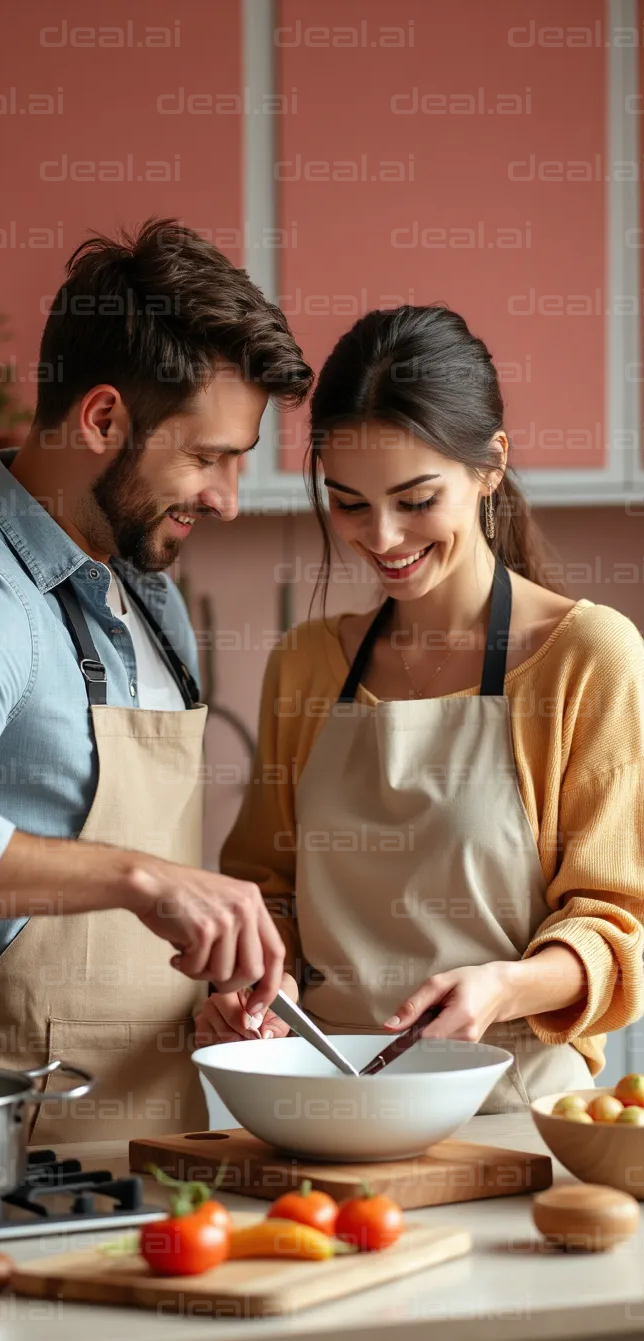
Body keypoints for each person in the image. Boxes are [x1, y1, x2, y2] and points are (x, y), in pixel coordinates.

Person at [0, 218, 313, 1143]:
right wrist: (142, 878)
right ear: (103, 419)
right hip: (1, 1157)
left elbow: (113, 936)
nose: (227, 500)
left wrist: (203, 1004)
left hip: (153, 1143)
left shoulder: (144, 593)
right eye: (208, 457)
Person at [201, 305, 644, 1110]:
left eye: (415, 499)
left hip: (517, 1113)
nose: (382, 537)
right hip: (326, 1101)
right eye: (349, 503)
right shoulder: (305, 665)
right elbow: (269, 889)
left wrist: (505, 988)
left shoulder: (588, 659)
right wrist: (260, 980)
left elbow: (617, 925)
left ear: (491, 467)